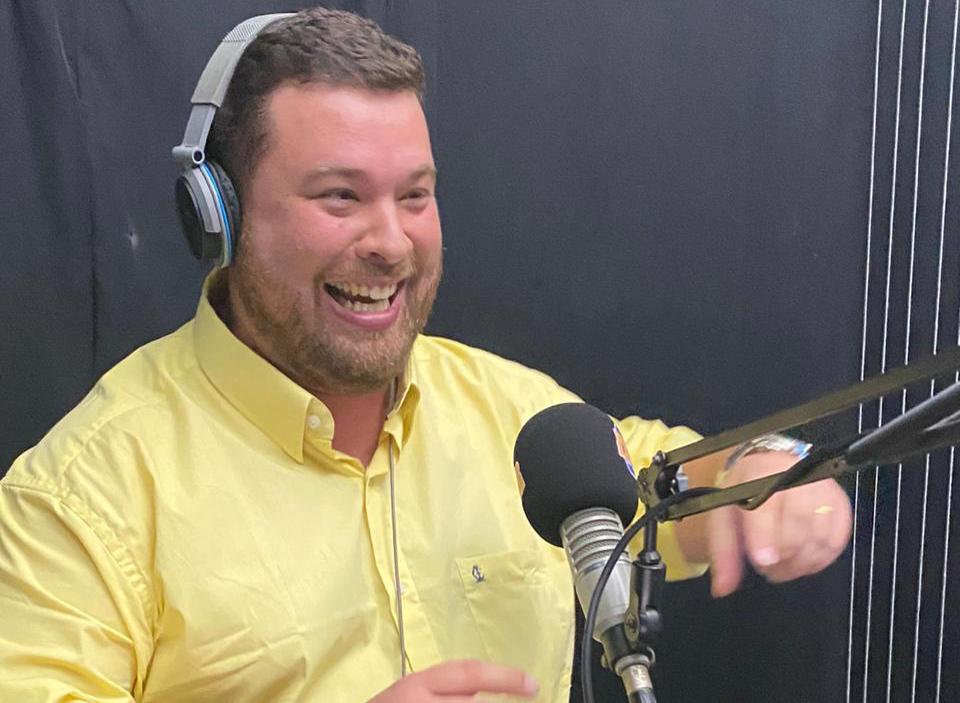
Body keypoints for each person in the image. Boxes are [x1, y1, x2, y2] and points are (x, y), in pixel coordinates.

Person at [0, 8, 852, 702]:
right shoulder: (84, 498)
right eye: (341, 196)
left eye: (415, 195)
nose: (391, 242)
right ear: (218, 215)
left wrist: (764, 471)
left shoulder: (521, 420)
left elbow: (670, 478)